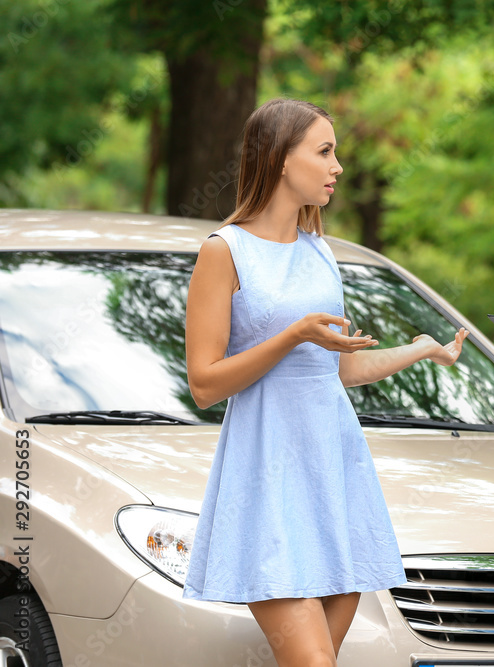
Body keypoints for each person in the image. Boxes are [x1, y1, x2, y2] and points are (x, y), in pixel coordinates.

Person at [182, 98, 469, 667]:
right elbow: (204, 385)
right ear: (281, 160)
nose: (338, 166)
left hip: (334, 478)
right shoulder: (224, 251)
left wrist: (420, 349)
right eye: (325, 151)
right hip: (267, 477)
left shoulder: (321, 254)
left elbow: (341, 371)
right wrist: (292, 336)